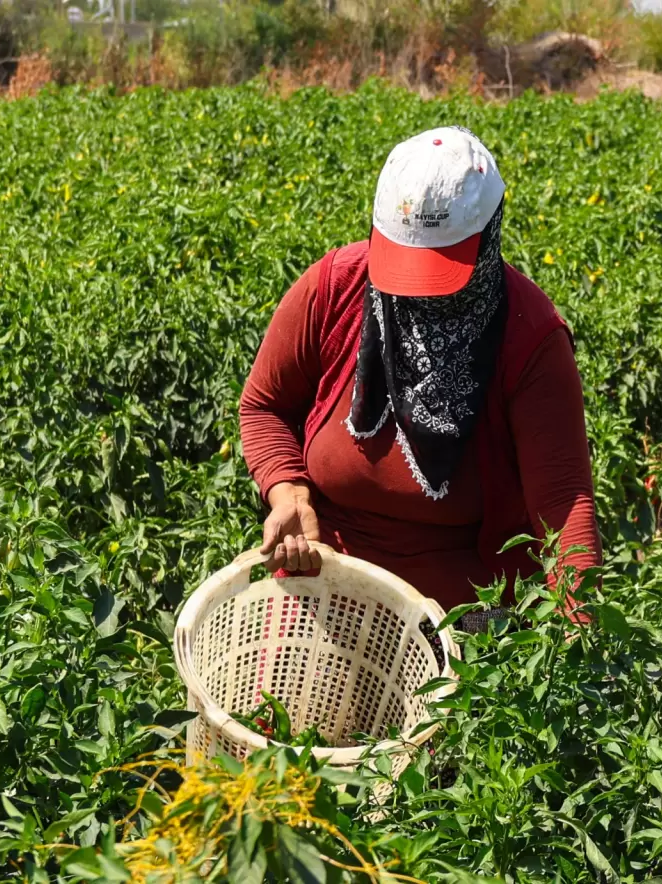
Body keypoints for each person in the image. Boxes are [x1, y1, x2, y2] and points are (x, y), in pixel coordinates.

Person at [239, 126, 601, 625]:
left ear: (488, 238)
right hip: (325, 586)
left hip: (461, 617)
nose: (417, 293)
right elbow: (265, 406)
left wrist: (578, 636)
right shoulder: (335, 288)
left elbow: (563, 504)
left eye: (438, 270)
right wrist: (289, 492)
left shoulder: (529, 338)